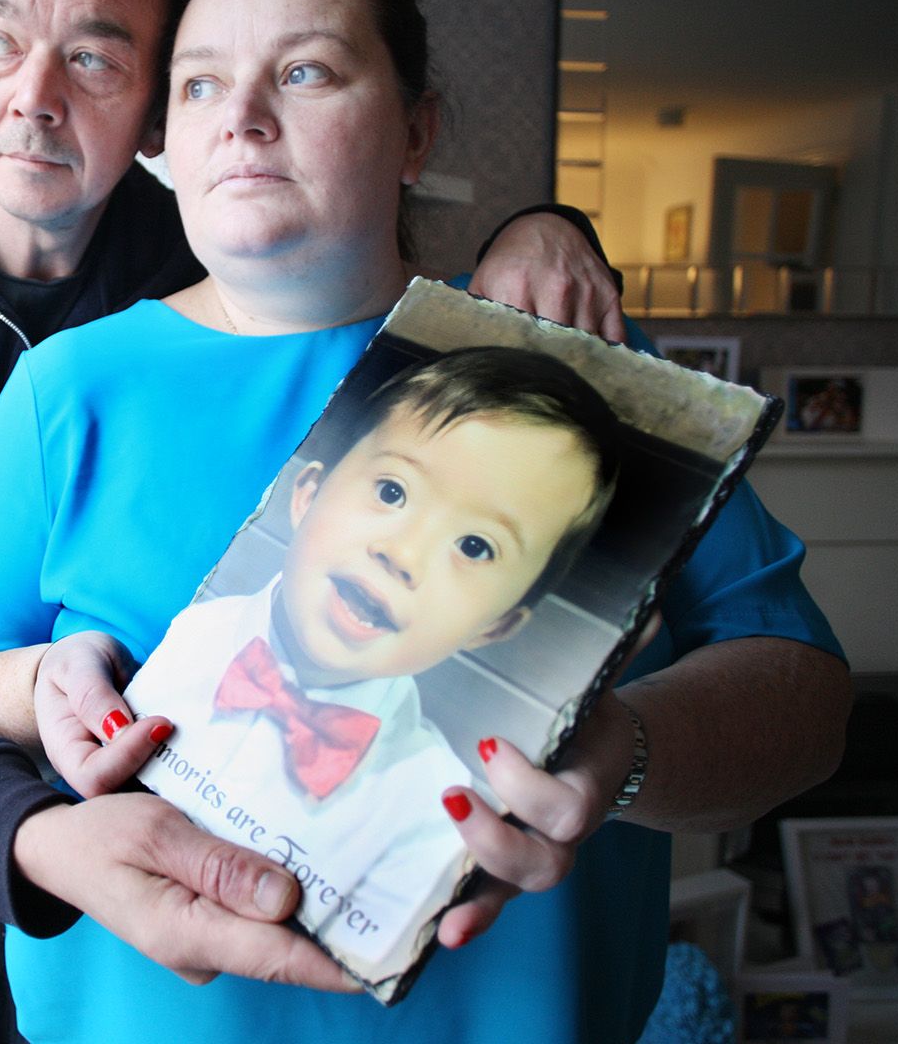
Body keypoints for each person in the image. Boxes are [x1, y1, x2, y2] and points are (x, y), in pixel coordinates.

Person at [0, 0, 851, 1042]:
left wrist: (620, 753)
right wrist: (37, 681)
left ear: (416, 130)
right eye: (203, 80)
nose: (244, 116)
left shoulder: (571, 372)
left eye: (305, 71)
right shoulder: (65, 389)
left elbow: (807, 699)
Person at [0, 0, 628, 1042]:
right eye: (4, 45)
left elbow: (359, 232)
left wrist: (546, 223)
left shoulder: (213, 228)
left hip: (142, 880)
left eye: (99, 62)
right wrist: (28, 756)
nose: (34, 100)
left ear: (152, 123)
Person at [125, 346, 622, 985]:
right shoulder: (178, 642)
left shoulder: (434, 806)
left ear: (494, 626)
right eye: (391, 491)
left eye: (474, 546)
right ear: (306, 493)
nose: (403, 553)